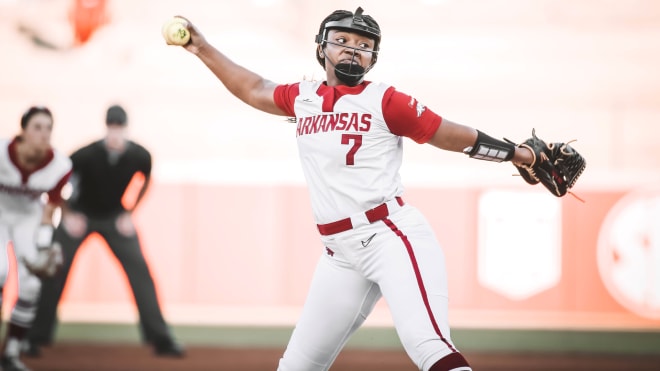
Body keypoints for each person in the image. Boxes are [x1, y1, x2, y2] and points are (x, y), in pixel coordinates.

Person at [170, 7, 536, 371]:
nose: (352, 49)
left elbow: (446, 134)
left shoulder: (385, 100)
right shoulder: (304, 97)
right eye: (342, 40)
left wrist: (518, 154)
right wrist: (201, 48)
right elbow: (252, 88)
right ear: (321, 46)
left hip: (390, 236)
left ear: (373, 57)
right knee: (296, 366)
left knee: (427, 345)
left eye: (364, 44)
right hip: (340, 255)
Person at [26, 104, 184, 358]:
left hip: (114, 217)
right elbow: (56, 183)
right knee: (54, 268)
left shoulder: (139, 156)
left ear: (126, 129)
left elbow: (145, 180)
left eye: (119, 128)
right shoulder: (85, 155)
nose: (115, 134)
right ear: (106, 128)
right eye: (112, 128)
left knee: (141, 272)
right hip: (81, 215)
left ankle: (161, 338)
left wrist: (130, 212)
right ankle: (33, 337)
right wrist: (67, 214)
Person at [0, 106, 72, 371]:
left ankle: (11, 353)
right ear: (23, 131)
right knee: (0, 271)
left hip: (28, 218)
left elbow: (50, 207)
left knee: (31, 285)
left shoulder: (60, 165)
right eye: (38, 127)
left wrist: (43, 244)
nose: (44, 134)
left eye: (48, 128)